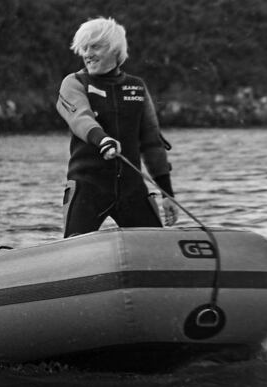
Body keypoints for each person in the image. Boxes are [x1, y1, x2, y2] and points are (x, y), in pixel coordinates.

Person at [56, 17, 178, 238]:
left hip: (132, 189)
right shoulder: (73, 83)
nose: (87, 53)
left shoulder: (137, 87)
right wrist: (103, 140)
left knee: (155, 246)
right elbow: (81, 119)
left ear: (114, 49)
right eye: (84, 47)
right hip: (88, 187)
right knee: (74, 249)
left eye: (95, 46)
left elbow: (152, 143)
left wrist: (167, 195)